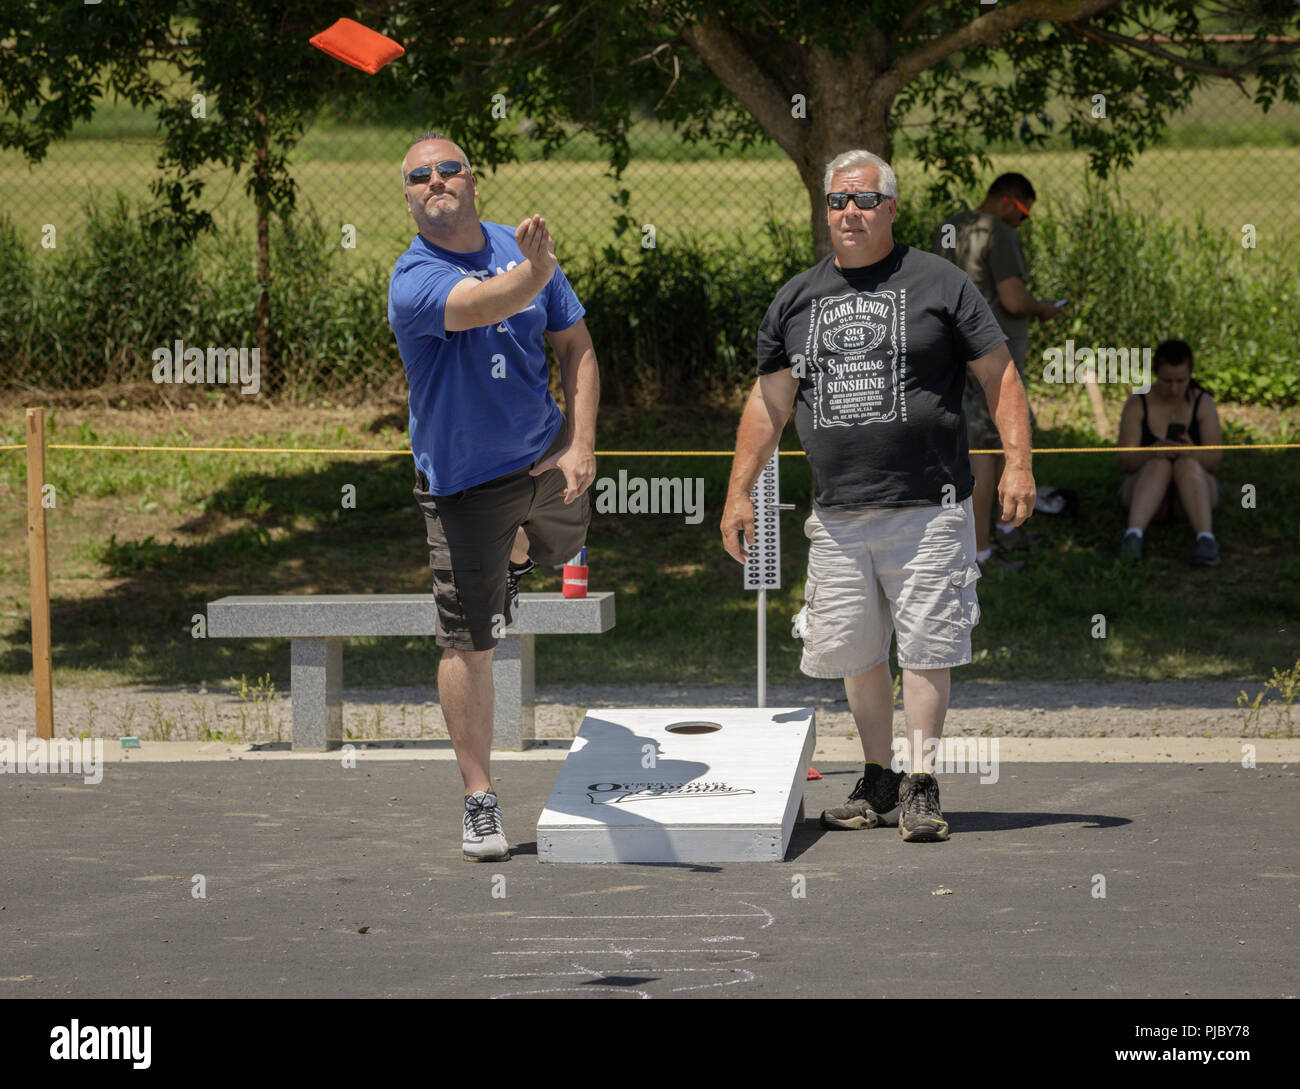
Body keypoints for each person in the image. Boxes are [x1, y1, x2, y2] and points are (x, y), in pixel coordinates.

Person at [720, 149, 1035, 843]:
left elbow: (999, 374)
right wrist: (739, 490)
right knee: (856, 650)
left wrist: (1017, 463)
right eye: (838, 202)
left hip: (929, 504)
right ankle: (879, 777)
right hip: (837, 513)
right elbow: (769, 403)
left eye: (864, 200)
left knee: (926, 645)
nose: (850, 213)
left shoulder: (941, 282)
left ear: (892, 207)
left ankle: (921, 784)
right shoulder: (798, 298)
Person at [388, 131, 599, 861]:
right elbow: (481, 305)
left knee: (564, 541)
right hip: (465, 485)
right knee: (469, 643)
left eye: (449, 168)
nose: (436, 180)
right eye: (421, 175)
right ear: (409, 196)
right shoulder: (413, 279)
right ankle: (480, 798)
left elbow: (576, 345)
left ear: (473, 180)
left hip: (543, 458)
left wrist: (581, 442)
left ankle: (517, 557)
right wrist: (536, 272)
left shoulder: (519, 244)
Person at [931, 174, 1064, 572]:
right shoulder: (998, 232)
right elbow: (1012, 299)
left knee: (970, 445)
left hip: (948, 350)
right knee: (989, 450)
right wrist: (1041, 308)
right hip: (990, 358)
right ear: (1009, 202)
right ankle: (982, 549)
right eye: (1023, 213)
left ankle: (1003, 530)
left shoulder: (950, 227)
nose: (1021, 222)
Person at [1116, 339, 1222, 565]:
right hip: (1149, 491)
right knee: (1160, 463)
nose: (1174, 389)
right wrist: (1153, 452)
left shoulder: (1203, 403)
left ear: (1190, 375)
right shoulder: (1138, 403)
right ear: (1155, 374)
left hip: (1192, 493)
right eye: (1166, 381)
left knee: (1187, 464)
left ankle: (1206, 538)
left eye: (1181, 381)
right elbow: (1125, 461)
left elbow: (1215, 462)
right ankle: (1133, 536)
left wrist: (1191, 452)